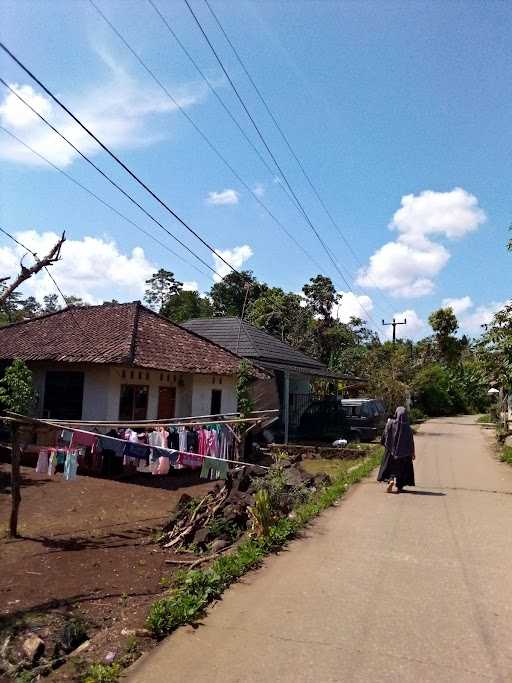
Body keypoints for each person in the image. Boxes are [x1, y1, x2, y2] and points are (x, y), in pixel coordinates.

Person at [377, 406, 415, 493]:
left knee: (390, 468)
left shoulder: (390, 423)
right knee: (402, 470)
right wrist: (412, 453)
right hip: (404, 454)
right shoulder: (408, 428)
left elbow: (385, 434)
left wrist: (383, 442)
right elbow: (411, 441)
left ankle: (390, 480)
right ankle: (400, 486)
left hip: (391, 451)